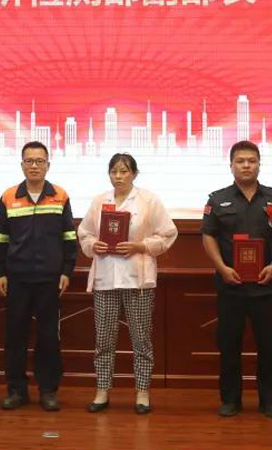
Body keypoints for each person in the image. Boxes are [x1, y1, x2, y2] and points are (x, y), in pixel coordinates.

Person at [78, 153, 177, 414]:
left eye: (124, 171)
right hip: (105, 279)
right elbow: (84, 233)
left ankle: (142, 392)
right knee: (104, 339)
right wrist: (93, 245)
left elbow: (168, 233)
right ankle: (102, 391)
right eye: (114, 171)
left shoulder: (148, 200)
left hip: (138, 280)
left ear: (134, 173)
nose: (119, 176)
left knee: (141, 339)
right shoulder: (100, 201)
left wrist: (140, 246)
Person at [202, 141, 272, 418]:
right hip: (231, 286)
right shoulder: (217, 199)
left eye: (251, 161)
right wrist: (222, 268)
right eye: (240, 161)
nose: (246, 165)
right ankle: (231, 400)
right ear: (231, 165)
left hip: (266, 286)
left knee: (269, 346)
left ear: (259, 164)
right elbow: (208, 236)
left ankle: (270, 401)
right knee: (229, 346)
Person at [0, 141, 77, 412]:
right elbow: (0, 239)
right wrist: (0, 272)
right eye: (29, 161)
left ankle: (48, 390)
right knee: (15, 336)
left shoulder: (60, 196)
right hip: (17, 279)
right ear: (22, 165)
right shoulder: (8, 197)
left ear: (48, 165)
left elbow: (69, 237)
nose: (34, 166)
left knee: (49, 337)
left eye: (39, 161)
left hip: (50, 280)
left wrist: (67, 271)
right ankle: (16, 391)